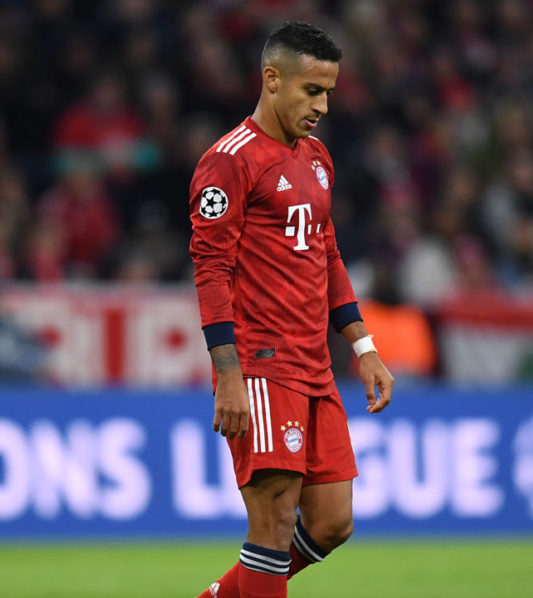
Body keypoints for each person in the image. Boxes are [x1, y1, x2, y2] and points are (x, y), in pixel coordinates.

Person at [189, 22, 394, 598]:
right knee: (274, 523)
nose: (322, 106)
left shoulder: (318, 158)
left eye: (328, 92)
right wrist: (229, 374)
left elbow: (328, 254)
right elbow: (211, 270)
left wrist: (363, 347)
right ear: (272, 79)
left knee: (332, 522)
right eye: (312, 91)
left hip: (315, 367)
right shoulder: (229, 161)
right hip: (261, 366)